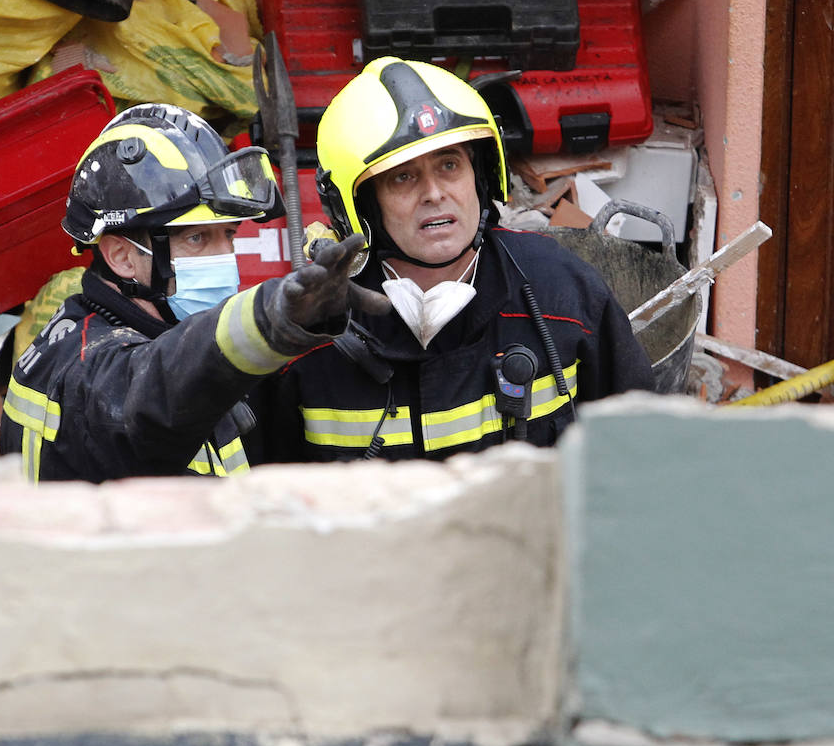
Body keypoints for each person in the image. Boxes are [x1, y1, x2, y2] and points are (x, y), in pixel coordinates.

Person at [246, 57, 657, 462]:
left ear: (481, 176)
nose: (434, 193)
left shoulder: (563, 292)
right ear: (360, 205)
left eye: (449, 165)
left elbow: (642, 455)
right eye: (403, 176)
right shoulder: (310, 339)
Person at [0, 103, 387, 482]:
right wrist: (269, 318)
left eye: (228, 235)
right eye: (197, 238)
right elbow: (153, 390)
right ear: (122, 256)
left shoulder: (138, 329)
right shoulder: (88, 369)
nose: (224, 258)